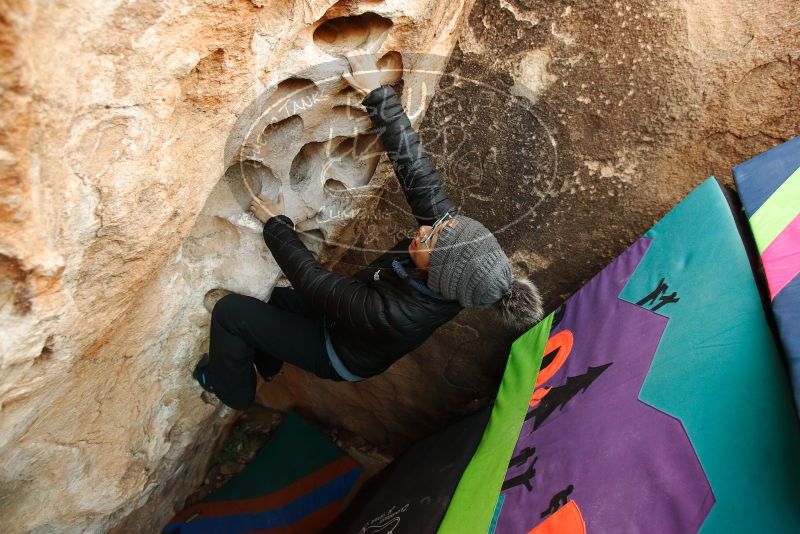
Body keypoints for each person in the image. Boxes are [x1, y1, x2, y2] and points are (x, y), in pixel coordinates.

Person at [193, 53, 543, 410]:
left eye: (430, 239)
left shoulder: (394, 313)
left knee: (232, 313)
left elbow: (317, 285)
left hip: (335, 351)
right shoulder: (449, 249)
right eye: (439, 226)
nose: (424, 231)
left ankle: (230, 391)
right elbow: (416, 171)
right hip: (344, 316)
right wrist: (377, 94)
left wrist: (275, 222)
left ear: (439, 273)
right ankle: (268, 363)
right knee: (273, 298)